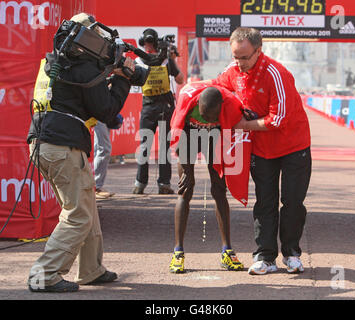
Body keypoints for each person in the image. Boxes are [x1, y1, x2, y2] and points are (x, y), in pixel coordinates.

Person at [26, 13, 135, 292]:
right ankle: (44, 275)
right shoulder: (86, 68)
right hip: (63, 147)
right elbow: (106, 112)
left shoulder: (56, 61)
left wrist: (109, 74)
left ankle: (91, 269)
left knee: (85, 206)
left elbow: (79, 99)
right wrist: (124, 79)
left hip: (45, 143)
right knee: (78, 214)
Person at [207, 27, 312, 275]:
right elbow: (216, 89)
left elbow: (278, 119)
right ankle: (265, 257)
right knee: (265, 202)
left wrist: (242, 125)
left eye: (245, 57)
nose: (239, 63)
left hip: (293, 146)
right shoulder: (232, 71)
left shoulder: (277, 73)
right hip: (262, 150)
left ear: (258, 51)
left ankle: (292, 254)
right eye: (235, 57)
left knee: (293, 202)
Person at [168, 82, 257, 273]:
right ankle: (178, 252)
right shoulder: (186, 98)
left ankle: (227, 251)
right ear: (198, 103)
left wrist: (247, 114)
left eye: (212, 117)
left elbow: (242, 120)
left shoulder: (231, 103)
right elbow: (176, 129)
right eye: (205, 115)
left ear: (221, 108)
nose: (208, 119)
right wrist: (184, 163)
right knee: (185, 188)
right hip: (188, 133)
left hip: (215, 136)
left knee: (219, 189)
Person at [133, 28, 184, 195]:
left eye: (148, 44)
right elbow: (180, 79)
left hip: (157, 106)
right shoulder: (157, 60)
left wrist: (172, 60)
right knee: (153, 147)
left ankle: (153, 184)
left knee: (155, 147)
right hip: (156, 106)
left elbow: (179, 79)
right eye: (146, 44)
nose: (147, 48)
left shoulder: (147, 60)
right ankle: (151, 183)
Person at [94, 121, 115, 200]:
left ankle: (97, 187)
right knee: (104, 149)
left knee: (99, 147)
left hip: (105, 114)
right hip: (97, 115)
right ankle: (96, 187)